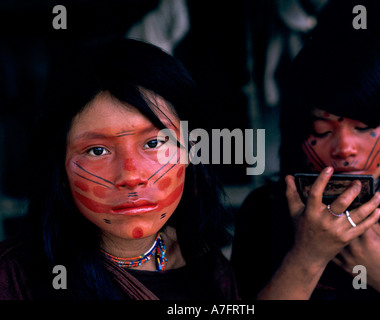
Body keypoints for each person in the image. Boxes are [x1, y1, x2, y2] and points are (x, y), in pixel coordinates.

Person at [0, 39, 236, 300]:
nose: (131, 177)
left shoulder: (207, 268)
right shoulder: (13, 279)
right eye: (97, 151)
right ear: (60, 165)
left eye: (154, 143)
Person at [231, 35, 380, 300]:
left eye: (364, 127)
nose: (344, 148)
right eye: (321, 130)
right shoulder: (264, 212)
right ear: (297, 136)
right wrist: (306, 257)